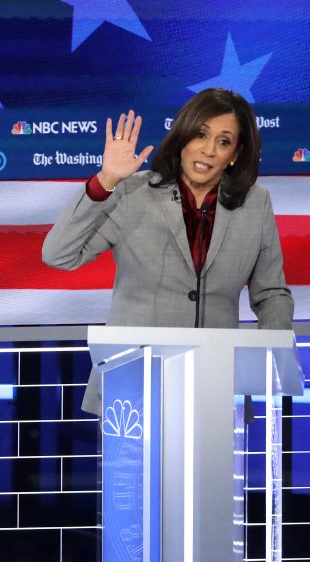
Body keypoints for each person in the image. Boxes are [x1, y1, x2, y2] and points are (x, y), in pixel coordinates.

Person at [42, 87, 293, 415]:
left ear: (235, 154)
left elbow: (272, 293)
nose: (208, 150)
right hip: (132, 392)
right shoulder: (133, 192)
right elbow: (59, 254)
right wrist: (105, 181)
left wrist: (270, 357)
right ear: (183, 137)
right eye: (200, 135)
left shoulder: (255, 203)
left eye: (223, 141)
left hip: (215, 390)